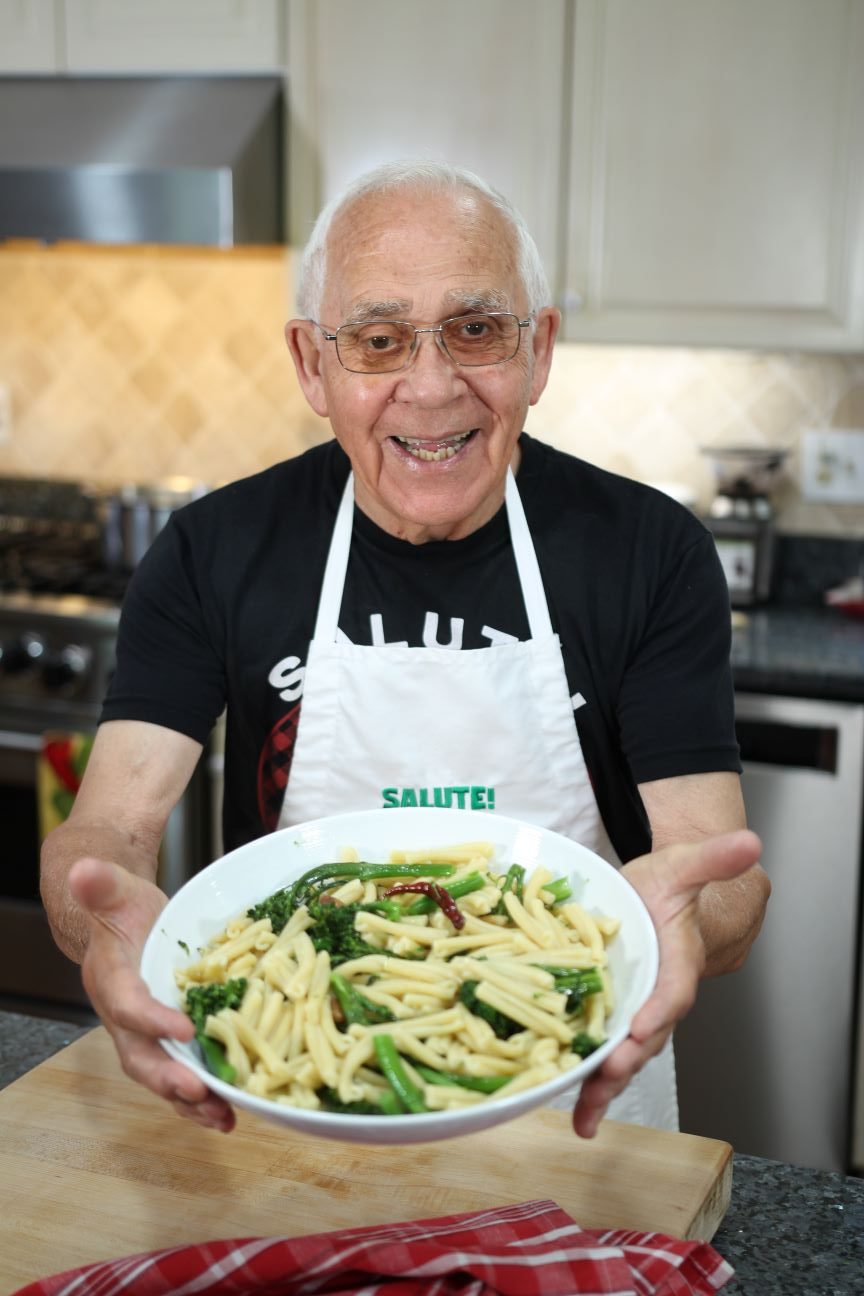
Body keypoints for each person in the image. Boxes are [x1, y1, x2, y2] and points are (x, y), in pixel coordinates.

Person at [40, 160, 768, 1138]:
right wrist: (102, 923)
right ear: (312, 365)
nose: (431, 388)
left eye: (476, 330)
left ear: (539, 350)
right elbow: (108, 835)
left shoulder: (649, 551)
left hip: (579, 1095)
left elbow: (713, 868)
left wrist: (678, 917)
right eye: (379, 341)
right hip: (294, 1092)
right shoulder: (216, 550)